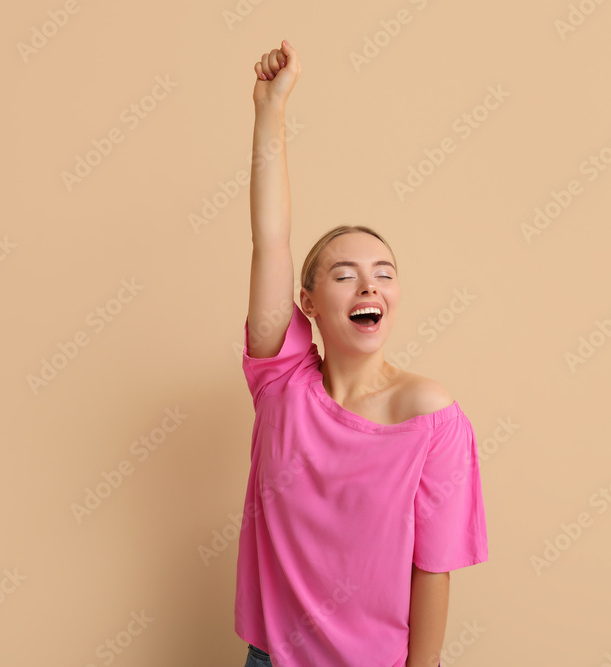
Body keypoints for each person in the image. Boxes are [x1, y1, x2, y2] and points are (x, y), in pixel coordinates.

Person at [235, 40, 489, 667]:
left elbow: (434, 568)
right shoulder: (281, 380)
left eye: (384, 272)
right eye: (344, 274)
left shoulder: (430, 414)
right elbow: (270, 240)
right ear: (309, 302)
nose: (369, 284)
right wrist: (271, 111)